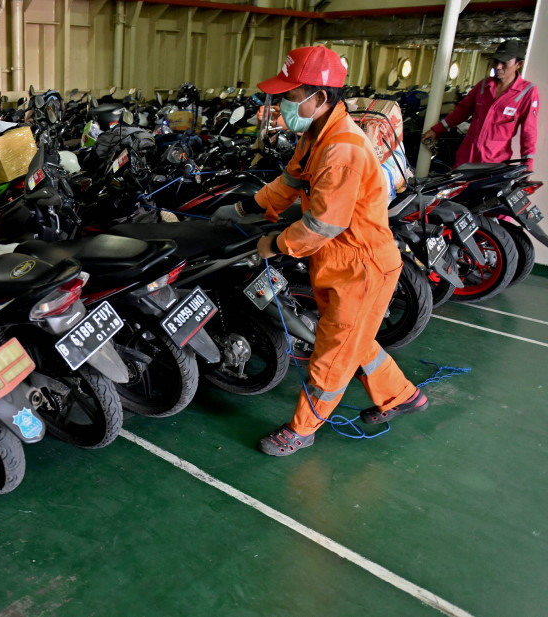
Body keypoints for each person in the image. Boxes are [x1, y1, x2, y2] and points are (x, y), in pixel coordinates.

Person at [214, 45, 428, 456]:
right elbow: (290, 183)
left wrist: (274, 245)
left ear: (320, 96)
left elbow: (324, 224)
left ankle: (302, 429)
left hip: (361, 267)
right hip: (339, 262)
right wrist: (245, 207)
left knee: (332, 354)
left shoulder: (342, 149)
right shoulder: (316, 134)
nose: (283, 105)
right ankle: (402, 396)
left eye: (291, 96)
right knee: (355, 342)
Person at [421, 39, 538, 170]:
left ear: (519, 64)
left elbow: (529, 132)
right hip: (467, 156)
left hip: (494, 162)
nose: (498, 67)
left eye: (504, 63)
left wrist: (528, 165)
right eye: (496, 61)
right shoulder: (483, 86)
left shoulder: (527, 92)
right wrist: (436, 130)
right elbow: (461, 112)